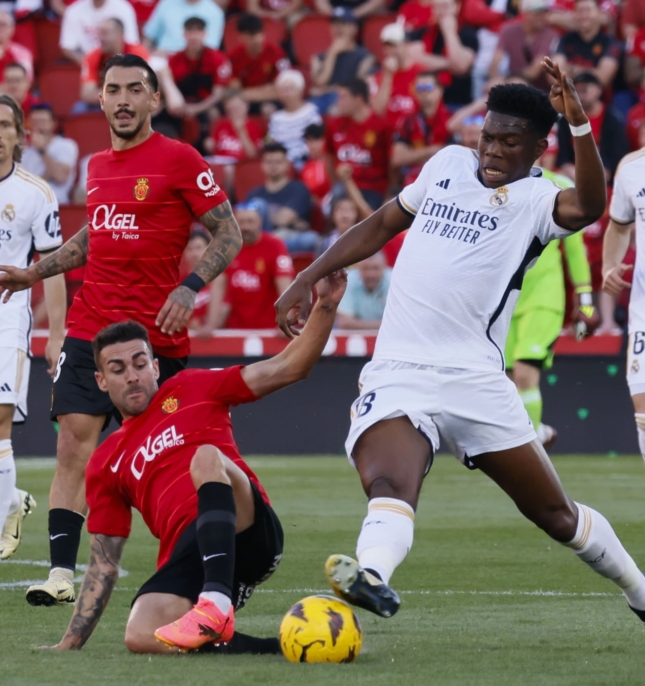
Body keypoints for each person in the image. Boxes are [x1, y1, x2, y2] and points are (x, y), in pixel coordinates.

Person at [275, 61, 645, 628]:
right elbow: (379, 224)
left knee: (555, 515)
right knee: (389, 482)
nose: (491, 152)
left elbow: (592, 207)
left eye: (507, 143)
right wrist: (308, 274)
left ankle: (639, 592)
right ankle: (372, 576)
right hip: (399, 369)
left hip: (475, 379)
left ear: (539, 149)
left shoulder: (541, 199)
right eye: (486, 137)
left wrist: (581, 126)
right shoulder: (447, 163)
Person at [0, 53, 242, 606]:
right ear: (99, 99)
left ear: (152, 99)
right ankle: (59, 574)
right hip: (89, 326)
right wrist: (35, 270)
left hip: (154, 338)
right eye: (113, 90)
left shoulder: (179, 159)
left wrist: (189, 285)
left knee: (163, 458)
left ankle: (197, 565)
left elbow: (229, 234)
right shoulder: (96, 166)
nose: (123, 100)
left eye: (134, 90)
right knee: (75, 440)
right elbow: (93, 239)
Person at [46, 272, 345, 652]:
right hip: (189, 555)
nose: (133, 376)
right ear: (102, 382)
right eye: (118, 369)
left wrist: (328, 304)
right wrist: (68, 644)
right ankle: (279, 648)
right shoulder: (105, 460)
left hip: (248, 529)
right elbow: (104, 561)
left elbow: (289, 366)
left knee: (205, 457)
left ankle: (216, 604)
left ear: (155, 367)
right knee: (141, 635)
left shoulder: (192, 385)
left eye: (140, 363)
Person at [0, 93, 66, 565]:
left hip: (5, 323)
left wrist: (57, 331)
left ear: (20, 136)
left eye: (6, 125)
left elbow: (55, 264)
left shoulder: (35, 193)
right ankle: (12, 498)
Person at [505, 169, 597, 450]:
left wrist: (585, 299)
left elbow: (574, 249)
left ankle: (529, 450)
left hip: (544, 297)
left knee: (524, 373)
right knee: (506, 381)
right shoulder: (498, 186)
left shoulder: (561, 186)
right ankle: (540, 432)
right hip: (506, 298)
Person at [602, 143, 645, 464]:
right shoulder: (631, 168)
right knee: (642, 405)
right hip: (643, 311)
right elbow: (618, 227)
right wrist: (608, 268)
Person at [215, 200, 294, 330]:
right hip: (236, 330)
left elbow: (286, 287)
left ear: (260, 222)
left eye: (250, 221)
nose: (246, 227)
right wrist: (212, 325)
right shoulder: (226, 248)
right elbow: (218, 288)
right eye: (241, 222)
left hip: (269, 329)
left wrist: (286, 322)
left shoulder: (275, 245)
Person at [326, 78, 390, 210]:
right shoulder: (334, 125)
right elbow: (328, 156)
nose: (338, 102)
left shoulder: (381, 126)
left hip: (373, 189)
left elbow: (391, 163)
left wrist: (387, 192)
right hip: (342, 188)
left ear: (358, 99)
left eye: (343, 97)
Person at [555, 72, 629, 183]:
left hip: (606, 176)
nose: (580, 96)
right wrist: (568, 168)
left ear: (599, 90)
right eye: (576, 91)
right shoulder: (565, 119)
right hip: (572, 174)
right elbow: (563, 154)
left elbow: (618, 154)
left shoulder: (613, 119)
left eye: (584, 90)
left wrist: (606, 171)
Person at [168, 16, 232, 137]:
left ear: (205, 34)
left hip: (206, 104)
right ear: (184, 34)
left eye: (198, 32)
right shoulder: (174, 60)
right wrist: (180, 107)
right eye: (190, 32)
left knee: (214, 113)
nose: (194, 37)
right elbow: (171, 89)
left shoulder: (218, 58)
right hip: (181, 104)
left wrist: (197, 108)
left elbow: (218, 94)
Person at [407, 0, 478, 108]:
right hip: (424, 102)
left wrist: (449, 33)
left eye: (445, 6)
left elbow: (462, 66)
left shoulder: (468, 34)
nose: (442, 11)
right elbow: (413, 61)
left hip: (457, 102)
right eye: (437, 6)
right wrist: (451, 64)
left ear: (457, 7)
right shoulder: (422, 33)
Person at [247, 142, 316, 251]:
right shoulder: (254, 193)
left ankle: (269, 246)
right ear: (262, 165)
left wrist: (263, 214)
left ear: (287, 165)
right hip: (261, 239)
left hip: (288, 238)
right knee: (258, 203)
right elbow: (247, 225)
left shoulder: (298, 189)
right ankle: (268, 246)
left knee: (311, 239)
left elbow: (283, 219)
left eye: (278, 162)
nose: (273, 166)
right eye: (269, 162)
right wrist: (294, 221)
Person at [391, 72, 452, 185]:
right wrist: (433, 150)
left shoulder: (452, 119)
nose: (423, 92)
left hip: (445, 177)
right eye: (419, 88)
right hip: (415, 179)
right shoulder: (408, 121)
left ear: (440, 90)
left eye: (428, 87)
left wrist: (414, 155)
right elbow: (397, 158)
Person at [310, 7, 374, 114]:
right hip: (321, 101)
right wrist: (332, 54)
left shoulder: (365, 57)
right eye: (334, 24)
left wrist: (328, 89)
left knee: (335, 110)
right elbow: (320, 82)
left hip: (346, 100)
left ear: (354, 28)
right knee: (308, 111)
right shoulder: (318, 57)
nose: (338, 28)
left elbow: (358, 87)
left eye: (343, 24)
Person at [488, 0, 559, 91]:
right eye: (537, 13)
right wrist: (497, 79)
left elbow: (534, 70)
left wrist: (509, 81)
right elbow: (495, 63)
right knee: (491, 86)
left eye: (544, 13)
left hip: (537, 87)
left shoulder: (550, 35)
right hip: (512, 79)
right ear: (525, 13)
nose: (541, 17)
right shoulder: (509, 31)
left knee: (515, 87)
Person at [552, 0, 622, 90]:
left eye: (588, 10)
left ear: (598, 13)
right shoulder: (565, 40)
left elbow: (603, 78)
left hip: (600, 101)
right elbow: (554, 75)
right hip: (568, 96)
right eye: (580, 11)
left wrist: (572, 70)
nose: (584, 16)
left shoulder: (610, 42)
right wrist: (592, 72)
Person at [79, 17, 150, 107]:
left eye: (105, 33)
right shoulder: (92, 56)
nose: (101, 38)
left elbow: (145, 89)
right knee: (80, 108)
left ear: (120, 34)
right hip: (102, 104)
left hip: (133, 104)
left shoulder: (138, 53)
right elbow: (87, 94)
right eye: (100, 34)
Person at [369, 22, 424, 131]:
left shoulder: (421, 72)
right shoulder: (378, 77)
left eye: (395, 46)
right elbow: (378, 112)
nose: (391, 51)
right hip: (388, 133)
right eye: (387, 46)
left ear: (405, 45)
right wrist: (387, 76)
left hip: (414, 131)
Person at [228, 13, 290, 108]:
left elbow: (283, 87)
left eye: (258, 34)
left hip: (269, 100)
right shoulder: (234, 57)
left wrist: (248, 94)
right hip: (246, 101)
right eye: (250, 37)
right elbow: (234, 89)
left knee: (268, 108)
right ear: (241, 37)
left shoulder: (277, 53)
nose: (256, 40)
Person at [21, 103, 79, 205]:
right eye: (34, 122)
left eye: (43, 121)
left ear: (53, 123)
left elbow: (60, 176)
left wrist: (41, 150)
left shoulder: (66, 145)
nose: (39, 126)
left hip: (57, 204)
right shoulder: (24, 152)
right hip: (30, 206)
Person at [267, 69, 322, 169]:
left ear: (300, 90)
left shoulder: (310, 111)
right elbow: (269, 139)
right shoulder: (276, 118)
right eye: (283, 90)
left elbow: (315, 139)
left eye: (290, 89)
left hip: (305, 160)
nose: (286, 94)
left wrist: (292, 158)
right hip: (281, 163)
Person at [60, 0, 139, 65]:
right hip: (87, 62)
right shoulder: (73, 11)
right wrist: (90, 63)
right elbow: (67, 48)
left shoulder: (124, 8)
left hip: (120, 62)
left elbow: (131, 43)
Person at [143, 0, 225, 54]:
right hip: (161, 61)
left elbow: (210, 49)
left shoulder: (215, 12)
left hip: (195, 65)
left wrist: (171, 54)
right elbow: (148, 37)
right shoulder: (166, 3)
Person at [336, 252, 392, 330]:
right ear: (357, 269)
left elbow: (401, 322)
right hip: (355, 337)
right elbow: (344, 323)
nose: (371, 274)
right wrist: (386, 325)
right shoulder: (348, 281)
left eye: (376, 268)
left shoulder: (394, 281)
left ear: (385, 268)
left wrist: (356, 324)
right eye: (365, 268)